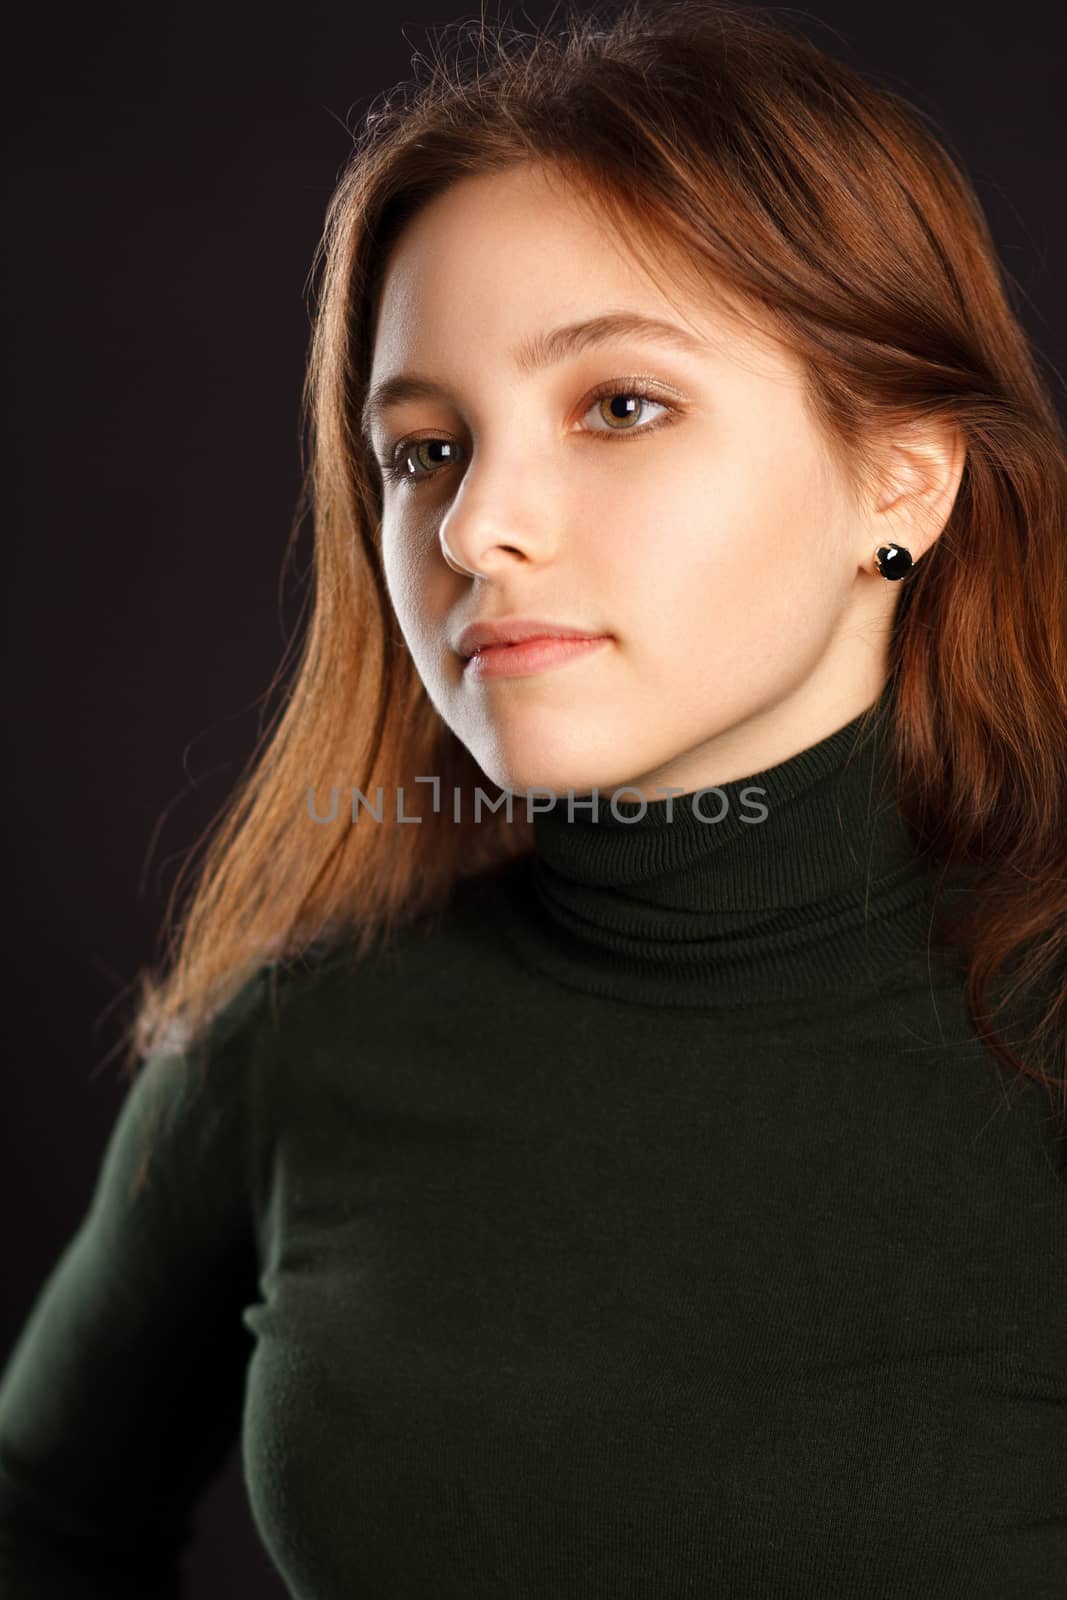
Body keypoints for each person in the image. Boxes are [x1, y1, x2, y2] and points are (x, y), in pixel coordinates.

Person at [2, 1, 1065, 1594]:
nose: (478, 527)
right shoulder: (300, 1042)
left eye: (619, 407)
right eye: (423, 451)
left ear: (902, 476)